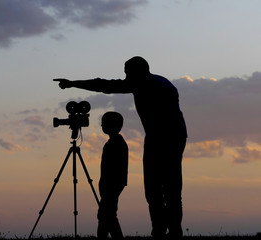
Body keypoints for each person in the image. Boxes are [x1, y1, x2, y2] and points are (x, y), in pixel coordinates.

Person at [54, 56, 187, 238]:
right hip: (174, 137)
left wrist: (72, 84)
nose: (125, 78)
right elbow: (108, 84)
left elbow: (105, 85)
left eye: (127, 74)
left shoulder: (144, 84)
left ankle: (161, 231)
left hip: (162, 139)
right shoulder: (162, 82)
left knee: (156, 190)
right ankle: (170, 231)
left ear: (138, 72)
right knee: (171, 189)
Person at [97, 111, 129, 239]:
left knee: (107, 214)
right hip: (112, 184)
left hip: (112, 184)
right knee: (106, 214)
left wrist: (108, 185)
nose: (102, 126)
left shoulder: (116, 144)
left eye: (104, 123)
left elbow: (113, 169)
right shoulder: (115, 142)